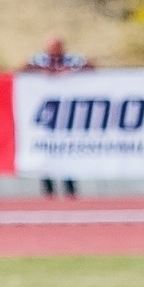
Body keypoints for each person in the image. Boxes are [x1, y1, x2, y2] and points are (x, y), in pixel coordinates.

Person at [22, 36, 91, 197]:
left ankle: (70, 190)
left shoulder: (71, 59)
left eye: (58, 46)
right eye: (53, 46)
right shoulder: (39, 59)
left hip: (66, 113)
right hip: (46, 115)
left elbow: (89, 64)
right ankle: (49, 191)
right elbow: (23, 67)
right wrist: (42, 71)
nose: (55, 49)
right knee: (46, 154)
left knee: (68, 153)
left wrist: (69, 71)